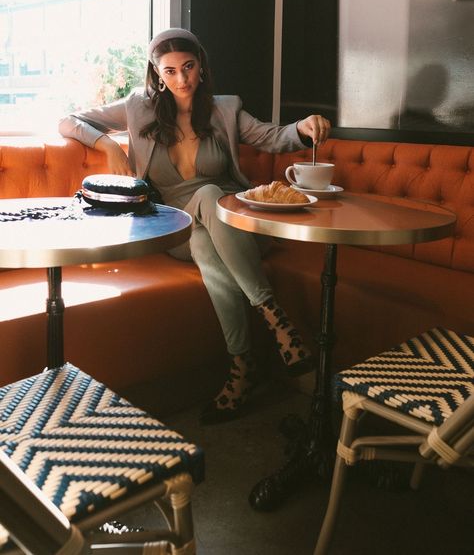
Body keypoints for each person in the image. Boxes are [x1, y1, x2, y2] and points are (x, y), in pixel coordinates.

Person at [59, 28, 331, 424]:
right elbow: (69, 120)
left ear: (201, 66)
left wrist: (303, 125)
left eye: (188, 67)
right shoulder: (138, 107)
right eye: (170, 72)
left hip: (230, 225)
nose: (181, 79)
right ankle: (274, 316)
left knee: (206, 224)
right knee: (201, 205)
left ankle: (241, 367)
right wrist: (108, 145)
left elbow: (273, 137)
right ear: (157, 75)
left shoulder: (225, 108)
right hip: (174, 228)